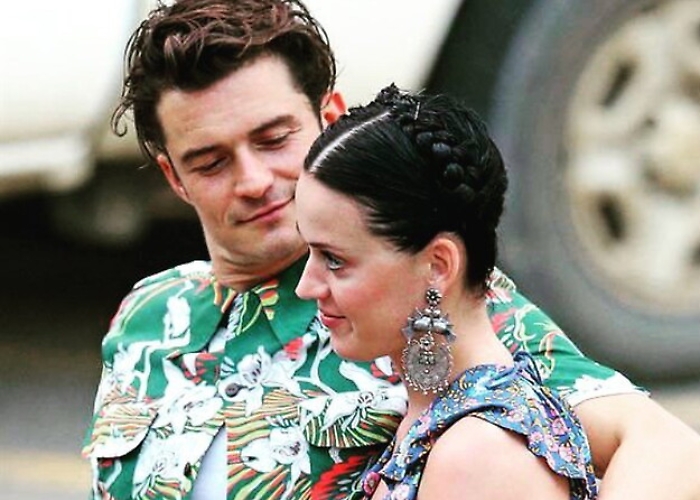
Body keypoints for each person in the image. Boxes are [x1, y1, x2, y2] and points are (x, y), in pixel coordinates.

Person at [81, 0, 700, 499]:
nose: (252, 180)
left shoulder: (416, 302)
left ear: (330, 118)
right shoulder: (149, 314)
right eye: (211, 162)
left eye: (273, 139)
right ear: (174, 177)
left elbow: (668, 451)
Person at [294, 83, 599, 499]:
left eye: (334, 259)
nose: (306, 286)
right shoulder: (446, 417)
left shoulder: (479, 457)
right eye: (309, 252)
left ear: (437, 266)